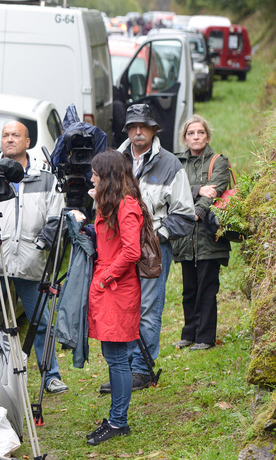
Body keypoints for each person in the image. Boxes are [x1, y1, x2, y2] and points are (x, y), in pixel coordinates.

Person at [109, 104, 194, 393]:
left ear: (154, 129)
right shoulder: (115, 161)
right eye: (132, 126)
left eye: (143, 126)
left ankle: (142, 368)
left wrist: (155, 236)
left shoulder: (170, 164)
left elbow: (184, 214)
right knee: (121, 307)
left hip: (153, 249)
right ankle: (123, 371)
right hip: (117, 248)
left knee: (147, 308)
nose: (137, 131)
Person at [0, 121, 69, 394]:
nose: (9, 139)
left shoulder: (46, 176)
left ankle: (50, 375)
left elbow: (57, 215)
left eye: (15, 135)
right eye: (5, 135)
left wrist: (43, 242)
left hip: (31, 260)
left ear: (27, 141)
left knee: (40, 321)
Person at [74, 149, 144, 445]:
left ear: (108, 177)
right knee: (113, 357)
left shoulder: (127, 206)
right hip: (109, 290)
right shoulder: (110, 204)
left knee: (117, 360)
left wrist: (104, 277)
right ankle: (117, 418)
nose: (91, 178)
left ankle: (119, 421)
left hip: (117, 289)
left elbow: (132, 251)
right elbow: (109, 241)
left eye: (95, 174)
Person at [171, 115, 231, 351]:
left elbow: (214, 191)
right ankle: (189, 334)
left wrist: (197, 209)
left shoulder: (219, 162)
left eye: (200, 132)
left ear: (207, 136)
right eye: (191, 133)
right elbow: (174, 191)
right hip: (185, 238)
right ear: (185, 138)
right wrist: (197, 189)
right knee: (189, 289)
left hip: (209, 237)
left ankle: (205, 337)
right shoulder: (176, 163)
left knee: (207, 289)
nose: (196, 137)